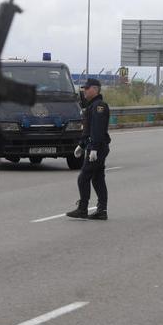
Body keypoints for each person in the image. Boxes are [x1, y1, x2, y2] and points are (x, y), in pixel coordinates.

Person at [66, 78, 111, 220]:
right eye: (84, 88)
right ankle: (101, 210)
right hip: (94, 146)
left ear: (95, 89)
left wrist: (94, 149)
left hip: (97, 147)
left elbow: (97, 130)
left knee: (83, 178)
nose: (84, 90)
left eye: (87, 88)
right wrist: (82, 145)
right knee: (97, 179)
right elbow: (89, 130)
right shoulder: (92, 106)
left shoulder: (99, 106)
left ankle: (83, 208)